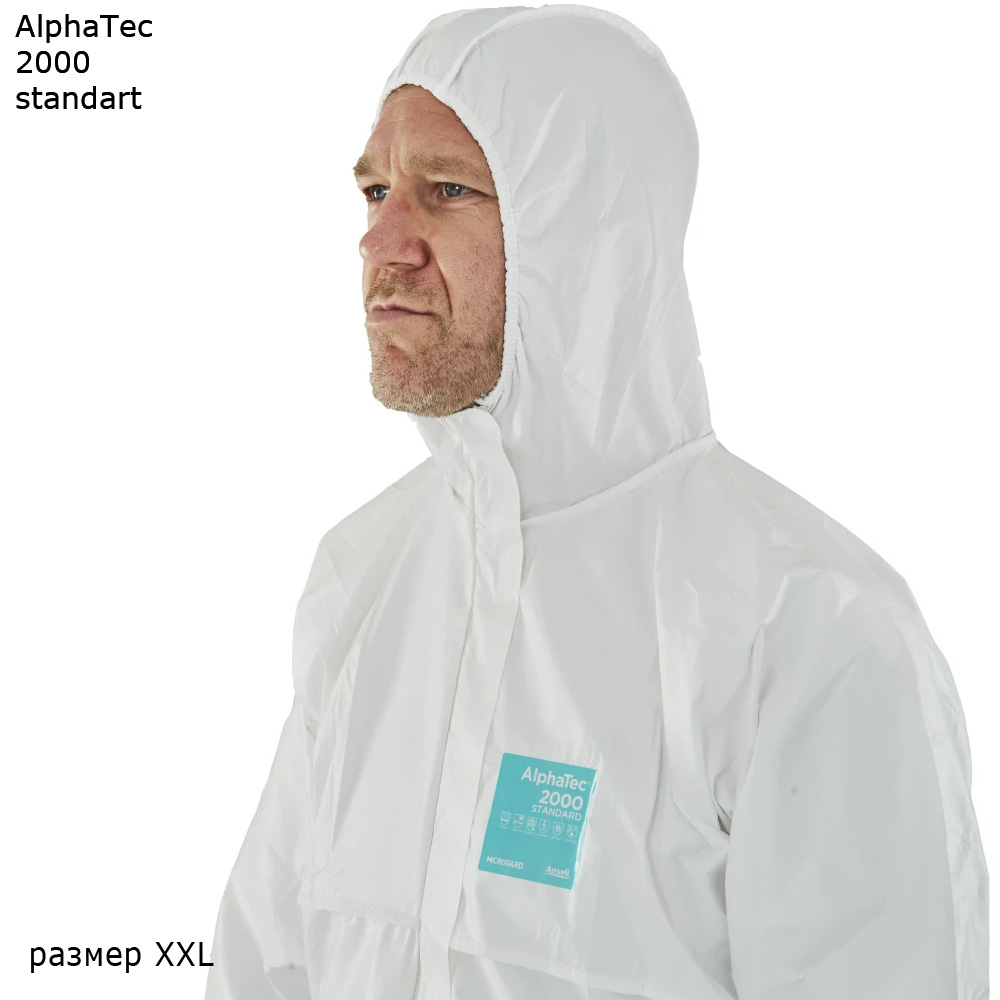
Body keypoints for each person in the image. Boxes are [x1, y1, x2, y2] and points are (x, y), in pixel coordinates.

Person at [204, 6, 989, 999]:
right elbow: (264, 968)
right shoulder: (364, 576)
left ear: (583, 233)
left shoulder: (801, 624)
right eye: (373, 191)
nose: (381, 241)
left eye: (447, 190)